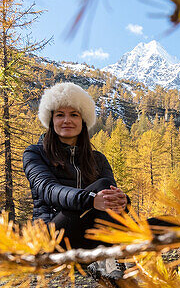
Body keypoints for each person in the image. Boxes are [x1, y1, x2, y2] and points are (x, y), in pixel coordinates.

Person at [22, 82, 131, 255]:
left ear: (83, 121)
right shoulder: (34, 153)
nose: (67, 120)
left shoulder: (98, 159)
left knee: (166, 223)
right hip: (51, 236)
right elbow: (48, 190)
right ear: (51, 120)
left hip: (87, 233)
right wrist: (90, 199)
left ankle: (110, 258)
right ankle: (112, 258)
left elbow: (111, 197)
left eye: (74, 114)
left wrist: (124, 201)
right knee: (101, 185)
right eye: (60, 115)